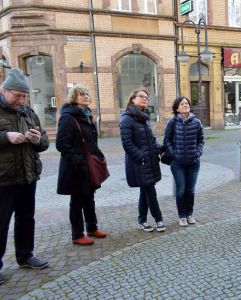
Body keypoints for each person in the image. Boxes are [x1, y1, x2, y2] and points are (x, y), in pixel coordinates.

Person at [0, 69, 50, 284]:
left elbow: (45, 142)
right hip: (3, 179)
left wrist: (38, 139)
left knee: (26, 218)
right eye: (17, 95)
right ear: (4, 90)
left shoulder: (29, 112)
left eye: (24, 96)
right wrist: (5, 137)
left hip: (28, 176)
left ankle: (25, 255)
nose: (21, 100)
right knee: (1, 223)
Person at [56, 86, 107, 246]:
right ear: (73, 97)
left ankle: (92, 227)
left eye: (87, 93)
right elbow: (62, 144)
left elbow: (91, 141)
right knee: (77, 200)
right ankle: (77, 235)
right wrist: (78, 161)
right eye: (81, 94)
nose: (86, 96)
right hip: (76, 167)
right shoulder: (68, 117)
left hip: (88, 165)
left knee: (89, 197)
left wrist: (98, 154)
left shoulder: (87, 115)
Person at [119, 88, 165, 233]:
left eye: (146, 97)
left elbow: (150, 139)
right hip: (140, 162)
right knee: (150, 191)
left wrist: (159, 148)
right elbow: (127, 143)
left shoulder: (144, 117)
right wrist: (141, 157)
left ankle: (142, 220)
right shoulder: (127, 118)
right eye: (141, 96)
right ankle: (159, 220)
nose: (145, 99)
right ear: (133, 99)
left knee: (144, 191)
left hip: (149, 160)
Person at [163, 96, 204, 227]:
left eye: (187, 103)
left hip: (193, 163)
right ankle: (182, 215)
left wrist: (197, 153)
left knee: (190, 190)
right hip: (178, 163)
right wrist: (174, 154)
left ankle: (189, 214)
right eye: (182, 103)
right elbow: (167, 141)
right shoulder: (172, 123)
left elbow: (201, 140)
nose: (185, 105)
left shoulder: (196, 122)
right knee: (181, 190)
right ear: (177, 108)